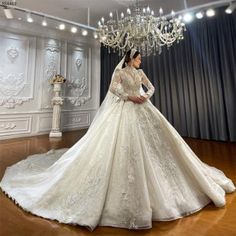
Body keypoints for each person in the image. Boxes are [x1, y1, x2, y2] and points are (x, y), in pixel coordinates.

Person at [0, 49, 235, 232]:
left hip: (143, 108)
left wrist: (144, 96)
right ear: (130, 59)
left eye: (140, 59)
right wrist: (130, 96)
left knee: (159, 146)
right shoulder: (121, 72)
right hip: (125, 109)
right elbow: (113, 90)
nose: (141, 61)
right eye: (138, 59)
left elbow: (152, 87)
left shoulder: (140, 73)